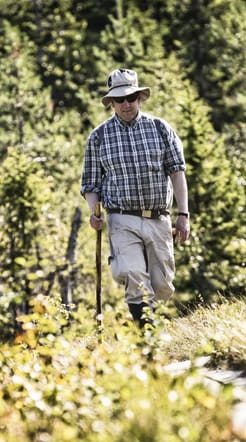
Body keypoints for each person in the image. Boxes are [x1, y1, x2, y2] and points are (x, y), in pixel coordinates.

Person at [80, 68, 190, 328]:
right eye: (120, 100)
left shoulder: (161, 129)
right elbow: (90, 184)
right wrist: (94, 213)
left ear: (139, 97)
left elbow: (177, 172)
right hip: (121, 218)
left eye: (131, 97)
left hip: (158, 217)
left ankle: (153, 326)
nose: (126, 104)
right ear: (112, 103)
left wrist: (183, 214)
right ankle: (147, 335)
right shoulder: (98, 137)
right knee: (132, 274)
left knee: (162, 285)